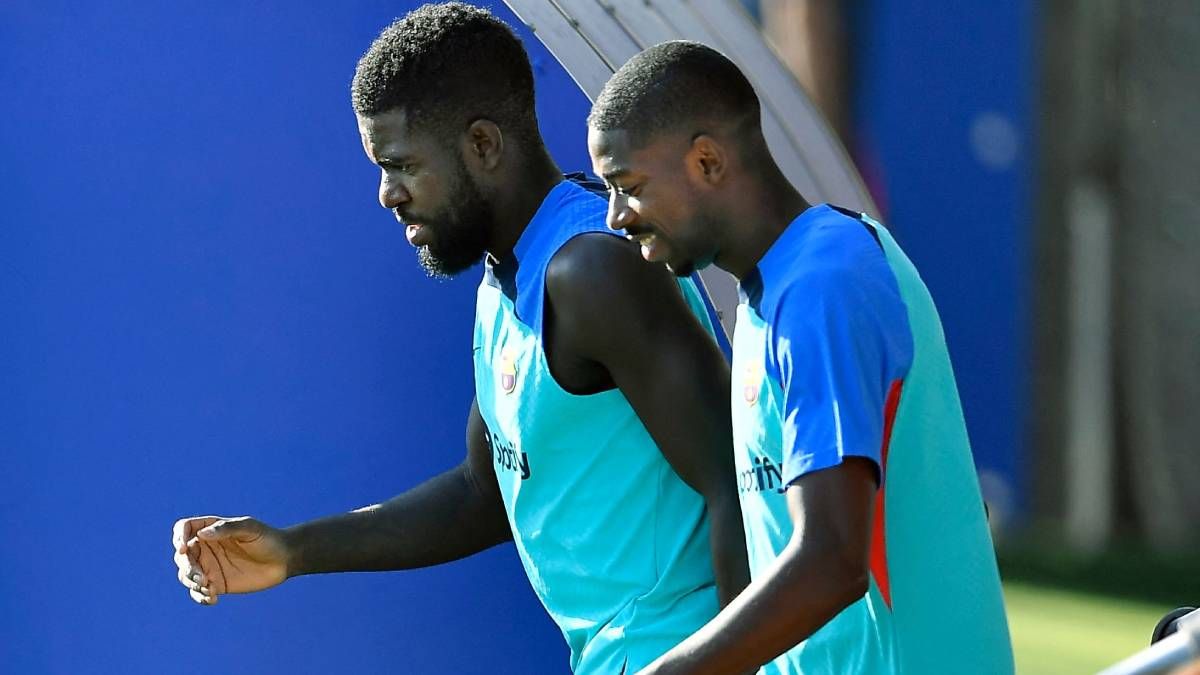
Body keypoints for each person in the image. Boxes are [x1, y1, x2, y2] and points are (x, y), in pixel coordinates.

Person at [172, 8, 749, 673]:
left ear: (482, 145)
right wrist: (294, 549)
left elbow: (736, 481)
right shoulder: (505, 276)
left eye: (401, 164)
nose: (388, 194)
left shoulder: (591, 269)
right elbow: (486, 491)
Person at [586, 41, 1013, 674]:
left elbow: (833, 561)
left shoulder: (824, 284)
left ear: (706, 160)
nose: (617, 216)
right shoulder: (777, 290)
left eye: (629, 186)